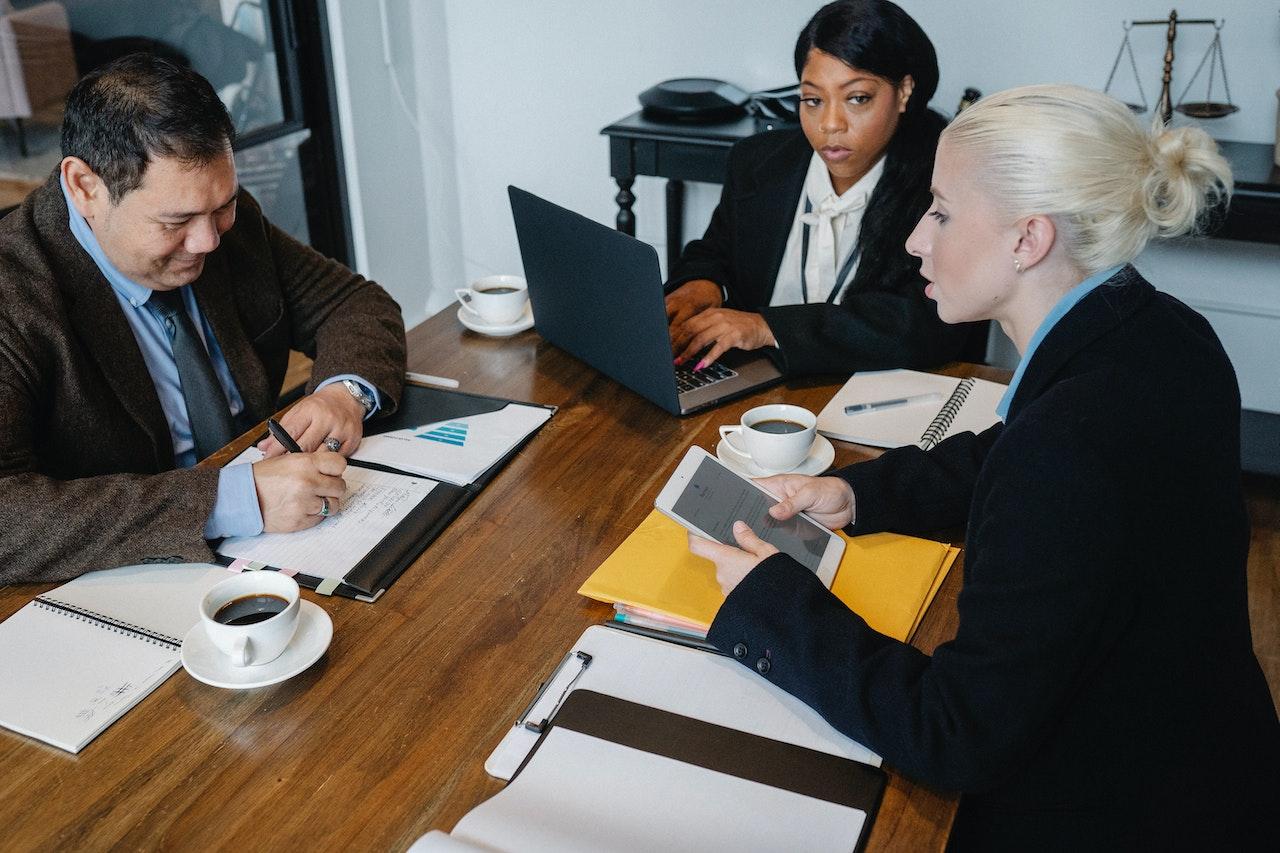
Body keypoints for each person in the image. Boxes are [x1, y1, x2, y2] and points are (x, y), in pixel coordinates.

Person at [690, 84, 1280, 849]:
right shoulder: (1165, 334)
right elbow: (1011, 453)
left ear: (1027, 239)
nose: (914, 240)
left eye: (939, 210)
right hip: (1221, 759)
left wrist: (773, 598)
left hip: (1121, 811)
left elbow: (955, 733)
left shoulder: (1066, 450)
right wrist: (850, 492)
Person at [0, 54, 407, 585]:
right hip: (120, 579)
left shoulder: (217, 217)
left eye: (223, 207)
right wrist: (231, 501)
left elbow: (354, 303)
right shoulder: (13, 297)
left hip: (284, 546)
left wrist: (341, 395)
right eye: (176, 221)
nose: (209, 241)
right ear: (84, 188)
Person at [664, 0, 979, 378]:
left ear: (904, 91)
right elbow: (715, 250)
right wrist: (704, 284)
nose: (830, 123)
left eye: (857, 98)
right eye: (813, 100)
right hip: (753, 387)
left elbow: (931, 324)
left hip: (874, 395)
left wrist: (769, 328)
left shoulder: (943, 185)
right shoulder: (757, 162)